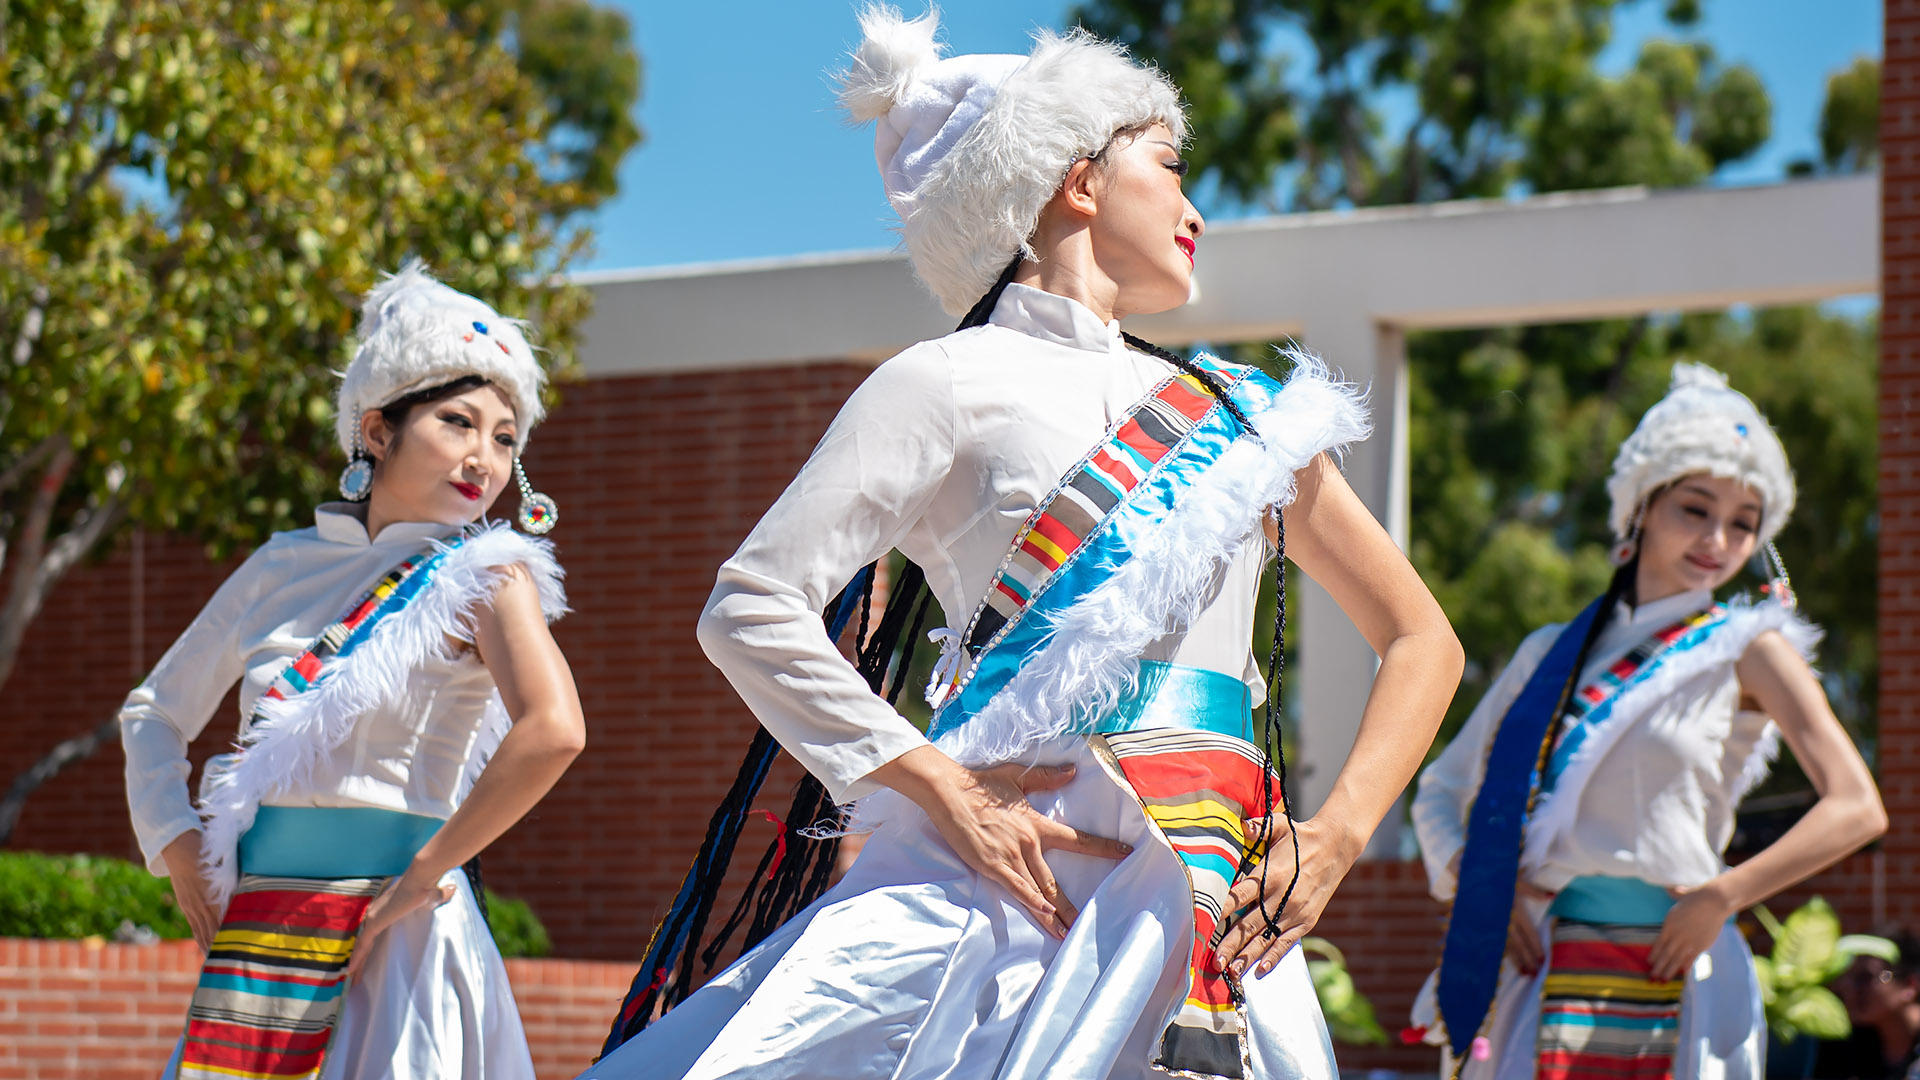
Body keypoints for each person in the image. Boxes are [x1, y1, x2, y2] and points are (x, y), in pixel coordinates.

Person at [586, 8, 1462, 1080]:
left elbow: (1422, 638)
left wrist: (1337, 835)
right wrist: (941, 789)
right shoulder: (942, 382)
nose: (1196, 206)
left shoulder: (1244, 416)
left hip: (1216, 919)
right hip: (1002, 910)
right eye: (1171, 165)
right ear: (1078, 181)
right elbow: (751, 607)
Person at [120, 263, 585, 1080]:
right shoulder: (280, 566)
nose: (485, 456)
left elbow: (555, 731)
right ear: (377, 430)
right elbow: (153, 713)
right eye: (457, 422)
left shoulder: (488, 574)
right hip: (261, 931)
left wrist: (426, 874)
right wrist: (178, 847)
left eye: (505, 436)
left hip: (396, 932)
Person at [1409, 363, 1889, 1080]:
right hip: (1545, 961)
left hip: (1678, 961)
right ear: (1641, 505)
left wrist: (1723, 896)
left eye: (1743, 523)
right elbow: (1441, 791)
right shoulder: (1551, 653)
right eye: (1695, 509)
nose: (1718, 540)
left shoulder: (1749, 648)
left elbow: (1857, 807)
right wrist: (1482, 885)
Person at [1818, 933, 1920, 1080]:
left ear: (1909, 986)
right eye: (1845, 978)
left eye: (1865, 977)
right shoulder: (1847, 1048)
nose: (1850, 990)